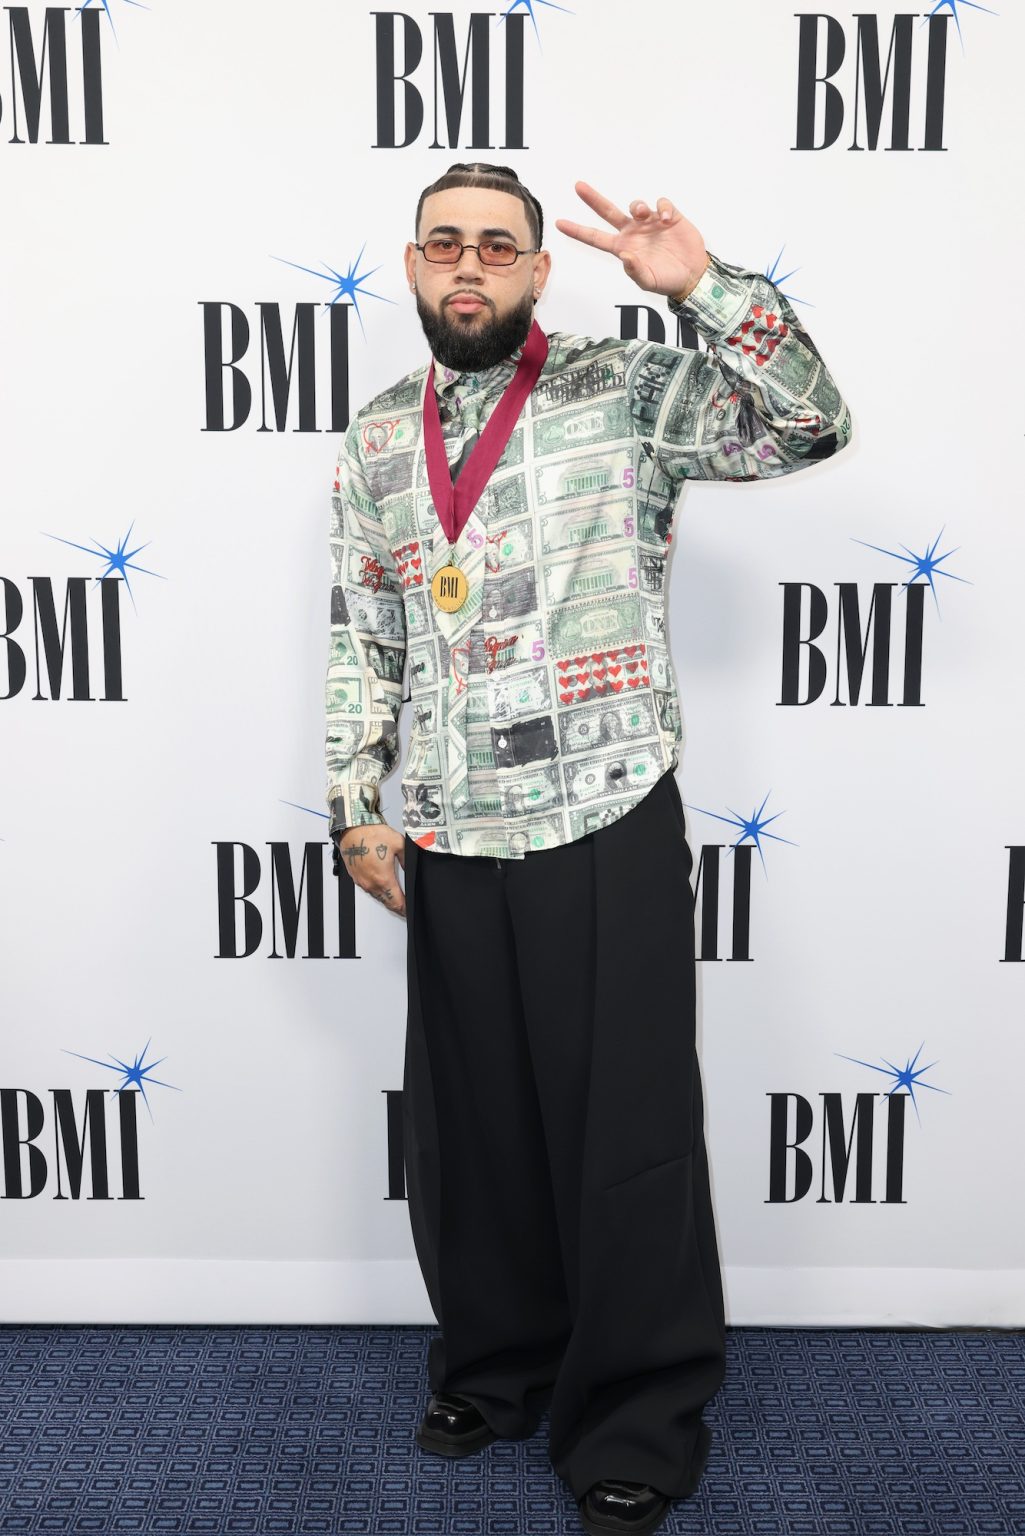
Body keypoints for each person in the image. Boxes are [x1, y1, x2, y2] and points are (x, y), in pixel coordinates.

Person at [325, 163, 852, 1536]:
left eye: (497, 245)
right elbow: (362, 626)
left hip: (600, 807)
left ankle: (633, 1415)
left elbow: (809, 426)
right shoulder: (382, 434)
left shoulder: (623, 387)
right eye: (446, 242)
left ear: (538, 271)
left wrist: (707, 288)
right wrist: (352, 797)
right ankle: (497, 1371)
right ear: (412, 264)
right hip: (442, 822)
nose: (469, 265)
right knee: (474, 1131)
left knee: (622, 1132)